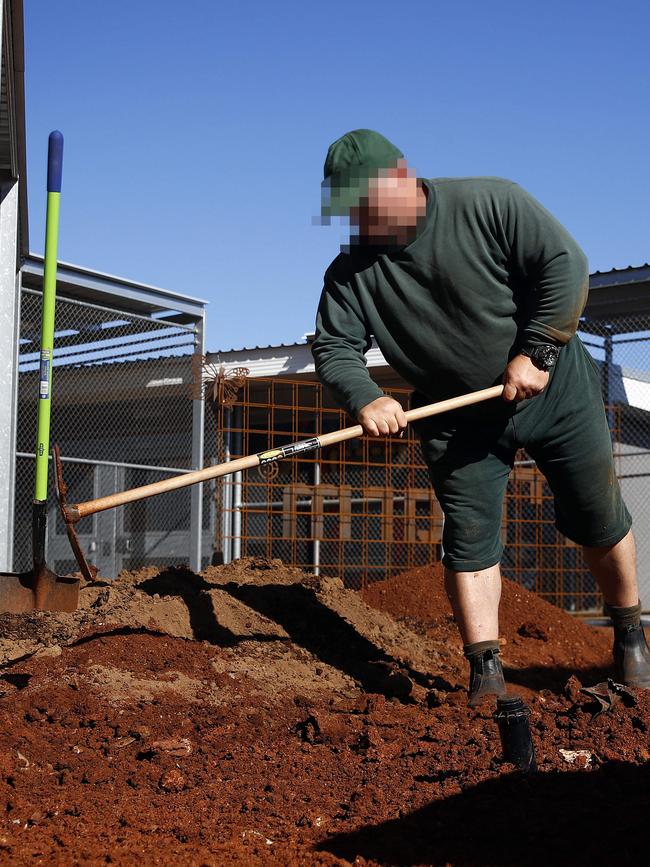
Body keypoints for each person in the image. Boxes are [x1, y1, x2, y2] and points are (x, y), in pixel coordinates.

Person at [312, 128, 650, 705]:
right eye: (349, 212)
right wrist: (366, 396)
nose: (360, 224)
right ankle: (486, 673)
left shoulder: (489, 202)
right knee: (468, 541)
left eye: (367, 207)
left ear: (400, 177)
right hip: (458, 418)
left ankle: (629, 636)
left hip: (552, 389)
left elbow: (564, 264)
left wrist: (538, 348)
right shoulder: (350, 272)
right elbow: (335, 346)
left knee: (597, 514)